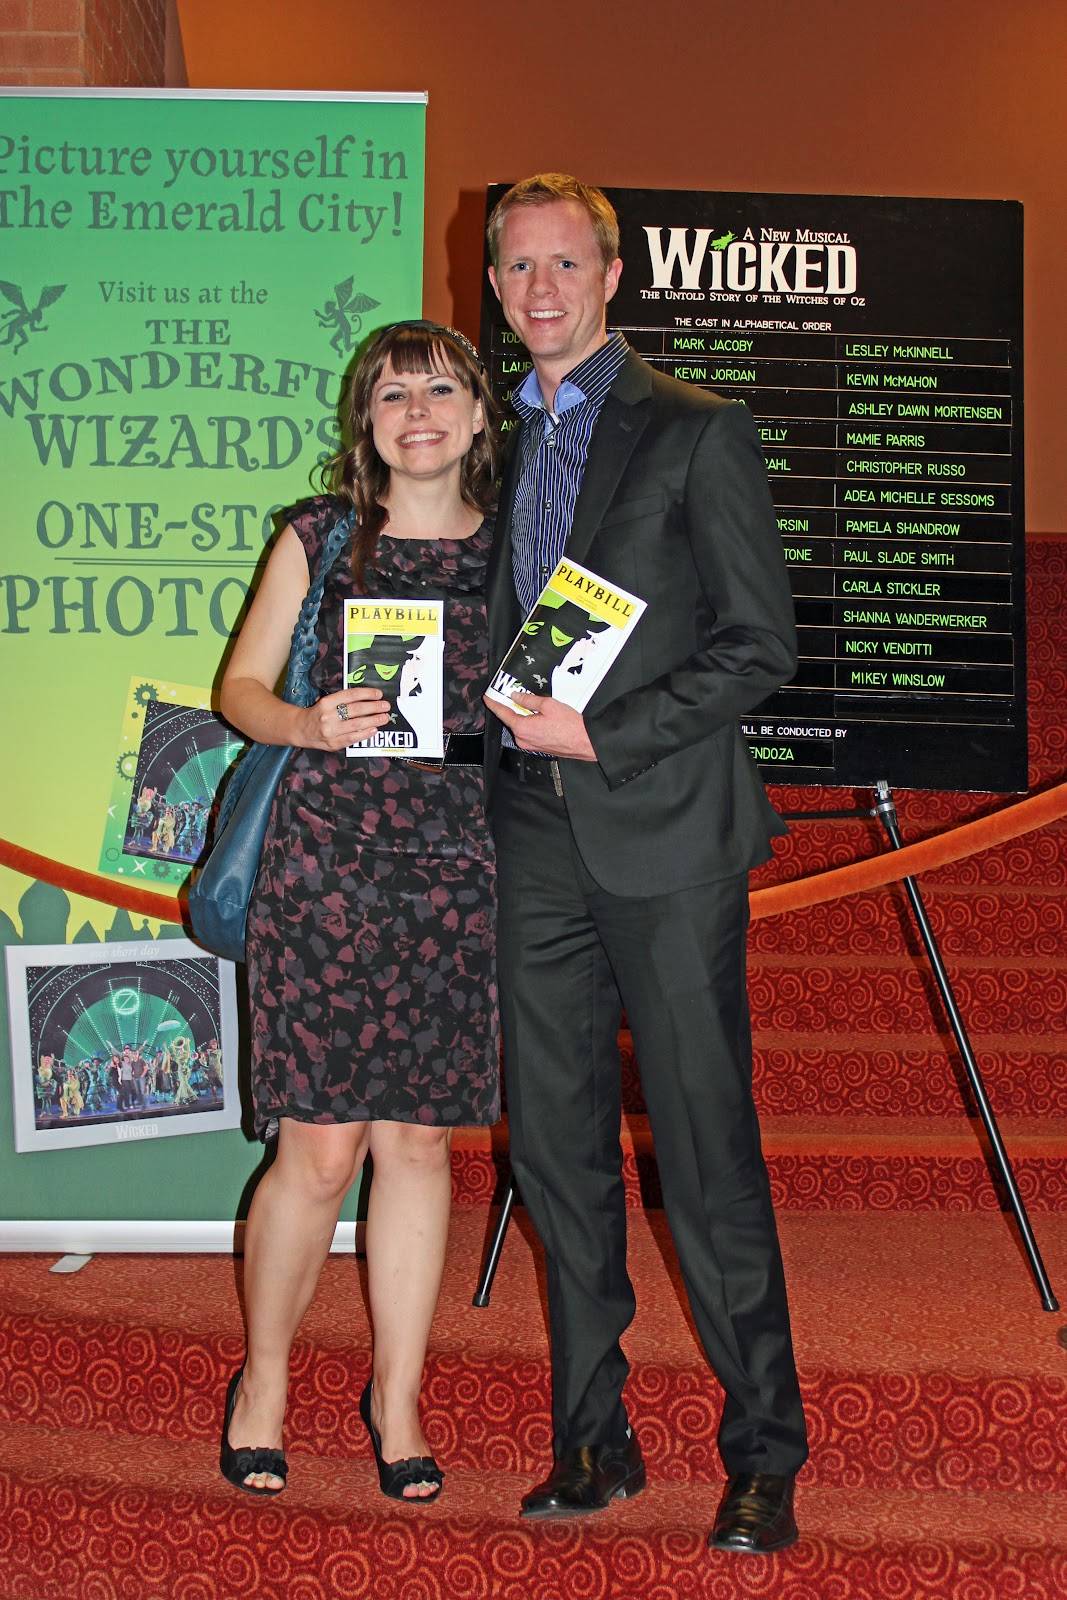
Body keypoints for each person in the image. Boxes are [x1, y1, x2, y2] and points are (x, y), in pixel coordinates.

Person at [484, 175, 808, 1554]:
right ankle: (592, 1435)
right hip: (527, 839)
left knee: (703, 1143)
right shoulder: (481, 446)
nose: (540, 289)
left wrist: (599, 737)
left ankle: (761, 1451)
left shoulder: (695, 431)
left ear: (610, 275)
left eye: (565, 263)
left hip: (661, 830)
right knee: (556, 1153)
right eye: (515, 267)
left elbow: (756, 647)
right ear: (491, 281)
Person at [217, 321, 500, 1502]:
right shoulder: (321, 536)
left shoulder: (520, 550)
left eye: (441, 389)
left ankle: (397, 1399)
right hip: (324, 867)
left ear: (481, 414)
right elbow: (236, 687)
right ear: (365, 424)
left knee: (421, 1143)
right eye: (393, 394)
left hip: (458, 871)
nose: (418, 410)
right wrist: (305, 720)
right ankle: (266, 1381)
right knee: (321, 1154)